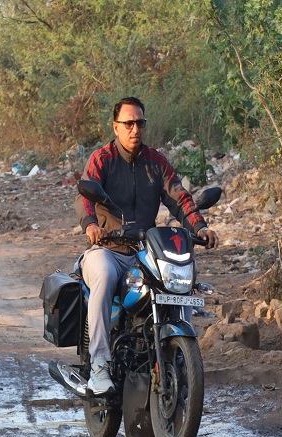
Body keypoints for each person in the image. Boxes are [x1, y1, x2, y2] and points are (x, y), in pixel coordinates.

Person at [75, 97, 219, 395]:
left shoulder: (156, 162)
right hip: (108, 250)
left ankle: (177, 358)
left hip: (144, 252)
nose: (134, 129)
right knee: (101, 274)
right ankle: (100, 363)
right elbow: (85, 195)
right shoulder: (103, 159)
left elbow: (180, 198)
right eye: (128, 123)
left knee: (180, 280)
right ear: (116, 127)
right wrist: (91, 224)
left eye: (140, 123)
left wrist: (200, 227)